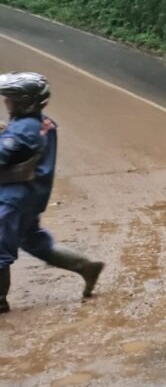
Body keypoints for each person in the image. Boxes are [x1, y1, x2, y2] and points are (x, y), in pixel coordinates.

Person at [0, 72, 104, 314]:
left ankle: (0, 301)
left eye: (10, 99)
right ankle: (85, 266)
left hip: (13, 197)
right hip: (31, 196)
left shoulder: (21, 132)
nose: (6, 103)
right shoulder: (44, 122)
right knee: (33, 240)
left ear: (25, 102)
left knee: (0, 248)